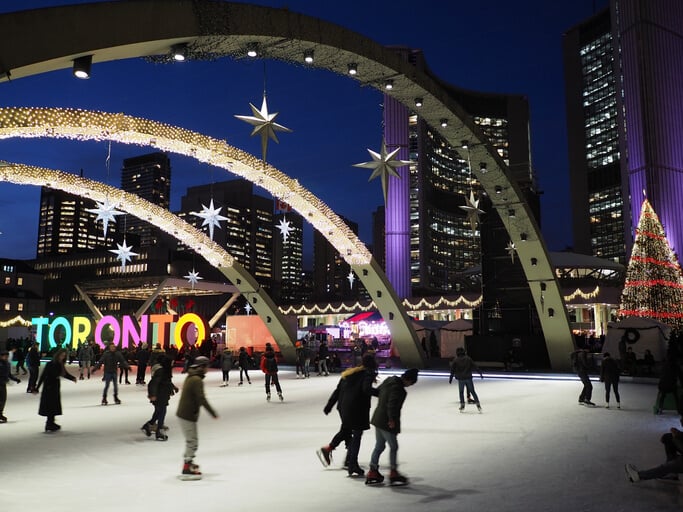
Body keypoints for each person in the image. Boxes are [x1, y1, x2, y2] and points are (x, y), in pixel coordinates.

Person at [318, 353, 378, 476]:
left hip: (344, 407)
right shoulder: (367, 373)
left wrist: (329, 406)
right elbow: (366, 389)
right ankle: (352, 464)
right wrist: (382, 393)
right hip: (357, 408)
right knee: (356, 435)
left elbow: (337, 390)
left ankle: (334, 451)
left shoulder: (349, 373)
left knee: (346, 430)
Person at [365, 368, 418, 486]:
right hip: (386, 421)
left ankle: (373, 471)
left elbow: (378, 393)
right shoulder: (399, 390)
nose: (410, 386)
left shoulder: (389, 380)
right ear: (409, 380)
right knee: (393, 446)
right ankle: (393, 472)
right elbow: (392, 404)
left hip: (378, 418)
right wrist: (391, 419)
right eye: (412, 383)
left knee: (379, 446)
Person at [176, 355, 218, 479]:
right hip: (187, 414)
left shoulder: (192, 376)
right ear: (202, 366)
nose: (208, 369)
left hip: (186, 413)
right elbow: (201, 398)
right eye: (207, 366)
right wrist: (212, 413)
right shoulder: (196, 379)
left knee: (192, 441)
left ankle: (188, 462)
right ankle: (187, 466)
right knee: (192, 442)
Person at [36, 348, 76, 432]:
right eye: (62, 355)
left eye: (64, 356)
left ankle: (51, 422)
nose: (62, 357)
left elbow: (64, 374)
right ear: (58, 355)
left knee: (53, 405)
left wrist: (72, 378)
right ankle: (49, 423)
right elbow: (43, 375)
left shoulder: (60, 364)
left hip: (54, 387)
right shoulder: (51, 364)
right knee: (50, 405)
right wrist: (37, 387)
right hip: (49, 387)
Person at [142, 354, 177, 441]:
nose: (173, 363)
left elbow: (167, 381)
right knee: (162, 411)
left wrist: (173, 388)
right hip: (159, 394)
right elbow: (153, 383)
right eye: (171, 362)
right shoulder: (161, 370)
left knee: (158, 411)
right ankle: (159, 431)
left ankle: (149, 425)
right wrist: (152, 395)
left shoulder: (165, 370)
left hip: (163, 393)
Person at [449, 347, 483, 412]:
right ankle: (478, 405)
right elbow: (475, 366)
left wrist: (451, 378)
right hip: (468, 378)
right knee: (472, 391)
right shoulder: (468, 358)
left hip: (461, 378)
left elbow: (452, 369)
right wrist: (480, 373)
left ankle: (462, 405)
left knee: (461, 392)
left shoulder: (456, 360)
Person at [0, 350, 21, 423]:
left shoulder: (7, 364)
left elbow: (9, 374)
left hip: (3, 384)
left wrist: (16, 379)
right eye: (4, 356)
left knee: (3, 399)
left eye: (7, 356)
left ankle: (0, 413)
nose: (6, 357)